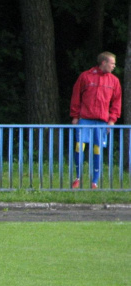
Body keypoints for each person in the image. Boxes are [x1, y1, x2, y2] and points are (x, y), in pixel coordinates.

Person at [70, 51, 122, 189]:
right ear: (103, 62)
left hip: (102, 121)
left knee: (97, 150)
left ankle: (94, 181)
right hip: (85, 119)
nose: (114, 66)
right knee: (79, 147)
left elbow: (117, 102)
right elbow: (76, 96)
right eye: (112, 63)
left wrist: (112, 120)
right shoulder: (85, 76)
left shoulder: (114, 81)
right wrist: (75, 116)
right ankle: (78, 177)